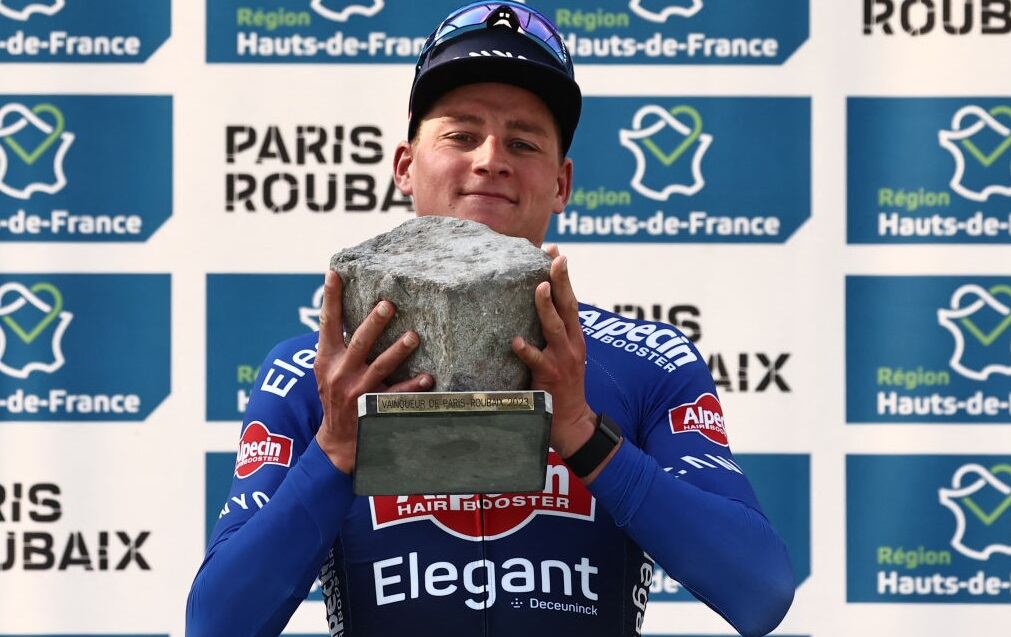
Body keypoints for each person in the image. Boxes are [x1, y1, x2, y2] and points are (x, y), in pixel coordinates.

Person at [186, 3, 795, 636]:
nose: (490, 159)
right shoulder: (313, 374)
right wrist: (338, 448)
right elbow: (217, 623)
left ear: (561, 184)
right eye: (460, 134)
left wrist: (584, 435)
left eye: (523, 142)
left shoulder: (646, 360)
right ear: (404, 166)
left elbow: (761, 593)